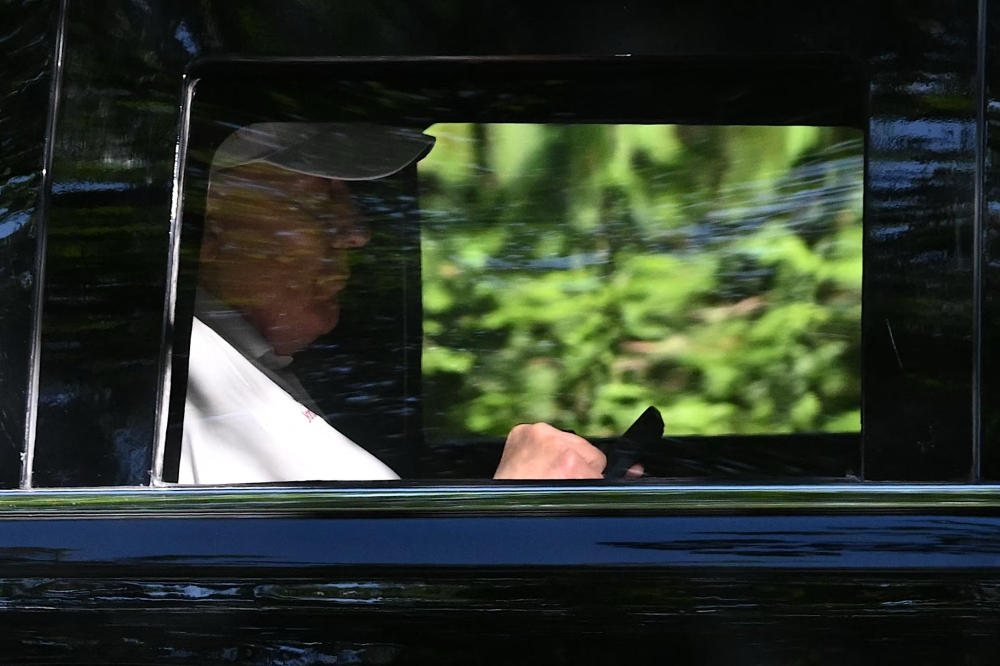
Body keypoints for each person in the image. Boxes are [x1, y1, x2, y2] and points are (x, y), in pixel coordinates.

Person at [179, 123, 634, 484]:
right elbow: (284, 573)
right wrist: (520, 506)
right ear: (208, 231)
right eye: (317, 204)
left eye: (349, 201)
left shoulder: (237, 365)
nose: (358, 233)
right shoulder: (188, 379)